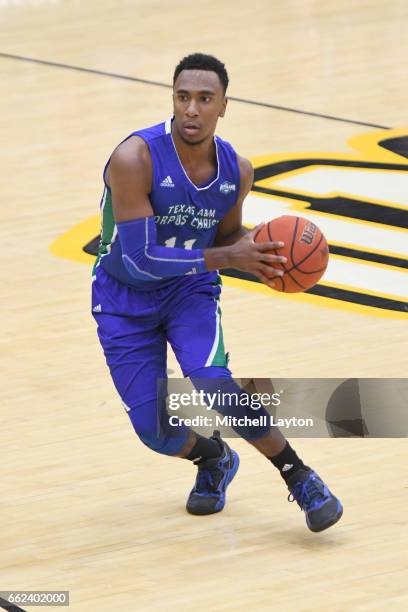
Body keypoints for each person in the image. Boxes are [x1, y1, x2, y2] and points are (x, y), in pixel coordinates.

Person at [91, 52, 343, 532]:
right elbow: (140, 259)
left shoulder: (236, 170)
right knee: (153, 431)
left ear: (224, 105)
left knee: (214, 383)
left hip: (188, 290)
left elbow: (226, 237)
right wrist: (230, 257)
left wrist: (261, 254)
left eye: (205, 99)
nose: (191, 109)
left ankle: (300, 476)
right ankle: (214, 458)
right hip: (124, 298)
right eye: (183, 97)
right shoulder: (134, 158)